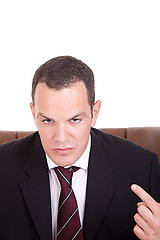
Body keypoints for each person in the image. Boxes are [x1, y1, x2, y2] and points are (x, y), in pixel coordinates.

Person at [0, 56, 160, 240]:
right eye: (47, 120)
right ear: (33, 113)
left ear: (94, 113)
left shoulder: (141, 168)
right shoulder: (3, 167)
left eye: (74, 120)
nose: (61, 139)